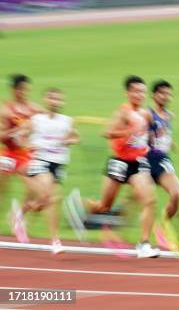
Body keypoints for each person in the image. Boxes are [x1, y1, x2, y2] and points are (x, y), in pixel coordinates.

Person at [66, 75, 160, 258]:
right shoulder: (123, 112)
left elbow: (149, 134)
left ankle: (144, 244)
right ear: (128, 93)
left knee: (149, 201)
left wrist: (150, 142)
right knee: (104, 206)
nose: (140, 94)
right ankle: (78, 205)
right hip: (119, 162)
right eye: (136, 91)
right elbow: (107, 132)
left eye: (143, 91)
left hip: (138, 163)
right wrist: (127, 132)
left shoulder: (146, 114)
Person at [26, 88, 79, 254]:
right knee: (52, 198)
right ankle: (55, 241)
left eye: (58, 99)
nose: (55, 101)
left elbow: (76, 137)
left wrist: (69, 140)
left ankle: (28, 208)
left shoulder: (67, 121)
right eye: (52, 98)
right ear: (46, 100)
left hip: (58, 164)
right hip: (40, 161)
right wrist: (27, 144)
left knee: (47, 200)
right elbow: (21, 136)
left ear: (62, 102)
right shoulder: (36, 120)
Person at [0, 74, 50, 244]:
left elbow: (46, 121)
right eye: (21, 89)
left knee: (39, 194)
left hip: (25, 155)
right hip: (8, 154)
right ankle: (17, 217)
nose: (24, 92)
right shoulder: (6, 110)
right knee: (2, 190)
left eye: (26, 89)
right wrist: (15, 131)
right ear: (13, 90)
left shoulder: (34, 109)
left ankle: (18, 216)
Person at [147, 80, 179, 252]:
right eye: (162, 93)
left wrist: (170, 142)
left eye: (168, 94)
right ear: (154, 95)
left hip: (162, 160)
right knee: (139, 203)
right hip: (145, 161)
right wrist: (152, 136)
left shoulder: (168, 115)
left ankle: (162, 225)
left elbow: (164, 133)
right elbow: (138, 135)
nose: (166, 96)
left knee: (176, 194)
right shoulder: (146, 114)